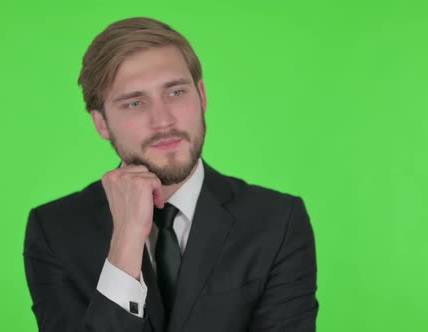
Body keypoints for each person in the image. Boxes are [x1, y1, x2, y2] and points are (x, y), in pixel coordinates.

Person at [23, 17, 319, 332]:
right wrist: (125, 242)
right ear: (102, 123)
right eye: (135, 103)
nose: (163, 120)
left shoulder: (277, 221)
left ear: (202, 96)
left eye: (175, 92)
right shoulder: (55, 231)